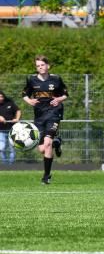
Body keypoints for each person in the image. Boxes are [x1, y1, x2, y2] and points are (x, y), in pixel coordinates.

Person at [22, 55, 68, 184]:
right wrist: (29, 101)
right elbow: (24, 94)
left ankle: (46, 177)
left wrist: (59, 99)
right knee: (42, 149)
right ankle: (56, 142)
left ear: (48, 66)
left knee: (47, 143)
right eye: (38, 66)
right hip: (39, 116)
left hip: (54, 113)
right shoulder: (32, 80)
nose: (40, 67)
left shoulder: (56, 79)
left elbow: (65, 94)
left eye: (42, 65)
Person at [0, 91, 22, 165]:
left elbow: (18, 111)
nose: (1, 98)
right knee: (1, 148)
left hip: (12, 130)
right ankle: (4, 163)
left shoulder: (9, 103)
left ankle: (10, 164)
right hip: (1, 131)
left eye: (2, 96)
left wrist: (17, 118)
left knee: (12, 149)